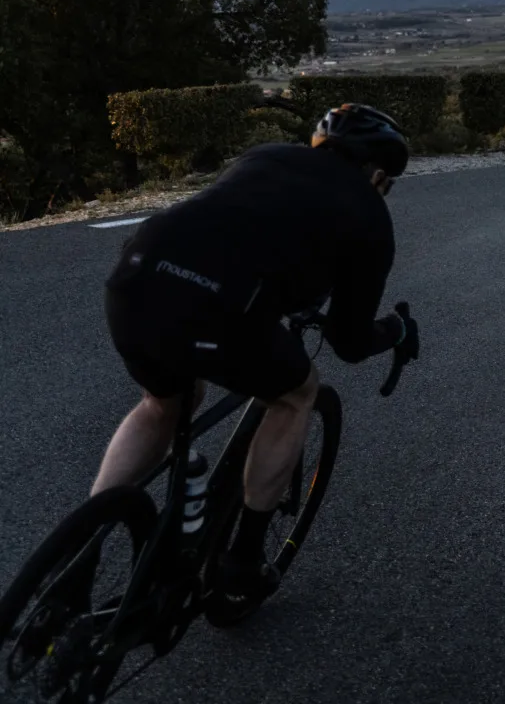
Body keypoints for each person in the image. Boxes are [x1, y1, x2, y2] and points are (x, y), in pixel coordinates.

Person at [93, 103, 419, 613]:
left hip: (135, 279)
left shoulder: (264, 156)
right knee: (297, 394)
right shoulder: (370, 215)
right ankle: (242, 562)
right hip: (218, 307)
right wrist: (395, 330)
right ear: (378, 173)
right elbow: (349, 342)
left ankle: (84, 547)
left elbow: (239, 232)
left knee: (166, 401)